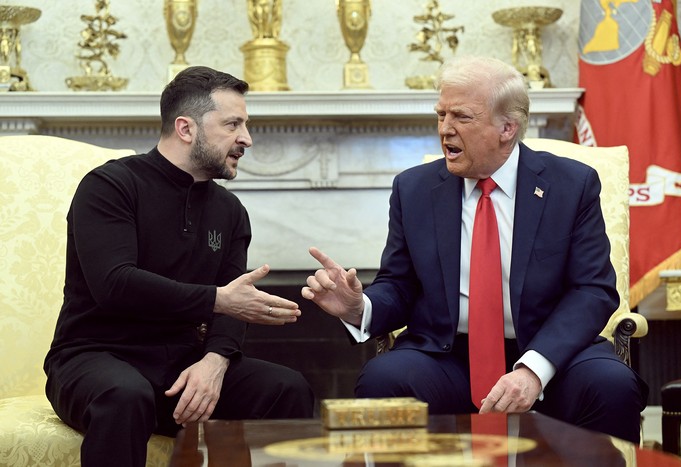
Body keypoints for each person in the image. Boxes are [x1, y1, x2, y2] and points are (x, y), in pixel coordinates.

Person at [302, 55, 647, 443]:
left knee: (612, 384)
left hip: (550, 350)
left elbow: (592, 290)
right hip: (446, 355)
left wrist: (534, 368)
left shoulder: (572, 185)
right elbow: (399, 284)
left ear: (507, 128)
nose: (444, 130)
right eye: (440, 115)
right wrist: (359, 308)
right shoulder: (414, 190)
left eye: (461, 117)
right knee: (384, 379)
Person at [44, 66, 314, 467]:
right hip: (94, 358)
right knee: (125, 394)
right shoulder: (110, 186)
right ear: (186, 128)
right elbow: (114, 284)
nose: (247, 139)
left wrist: (215, 362)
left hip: (182, 366)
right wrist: (217, 300)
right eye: (233, 124)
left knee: (285, 387)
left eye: (246, 124)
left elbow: (233, 302)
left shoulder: (230, 210)